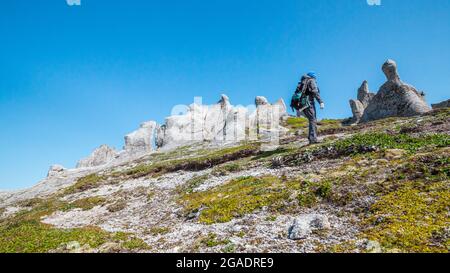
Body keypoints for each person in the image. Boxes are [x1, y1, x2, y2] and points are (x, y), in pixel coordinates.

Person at [294, 72, 325, 144]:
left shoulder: (302, 82)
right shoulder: (311, 80)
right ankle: (313, 139)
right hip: (309, 103)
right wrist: (321, 102)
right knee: (313, 119)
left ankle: (312, 138)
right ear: (313, 77)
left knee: (312, 119)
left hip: (302, 104)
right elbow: (315, 91)